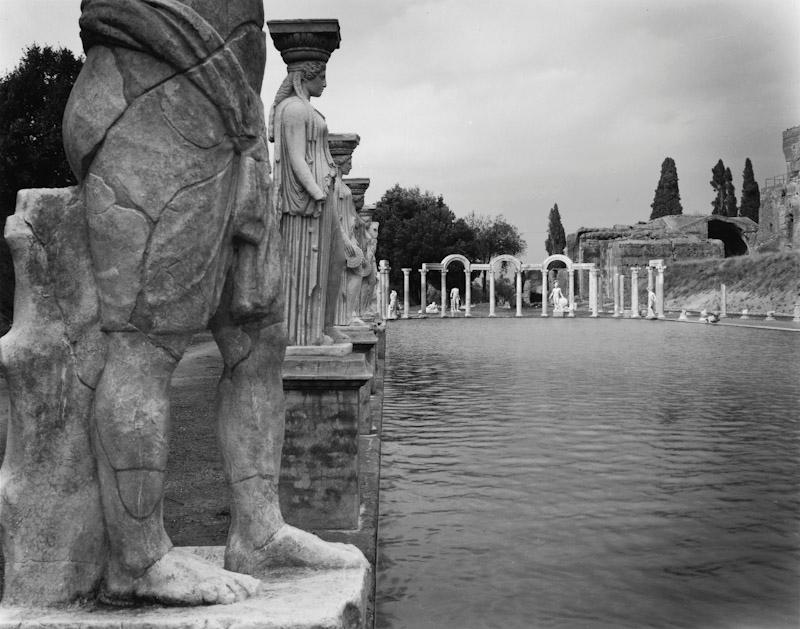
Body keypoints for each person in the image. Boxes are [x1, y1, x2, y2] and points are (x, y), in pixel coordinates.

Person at [60, 1, 362, 606]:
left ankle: (259, 528)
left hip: (232, 122)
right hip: (151, 99)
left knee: (259, 338)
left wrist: (243, 117)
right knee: (145, 343)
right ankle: (137, 559)